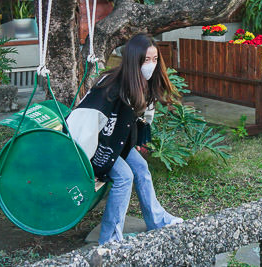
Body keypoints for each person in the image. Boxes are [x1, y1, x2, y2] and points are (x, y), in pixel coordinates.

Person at [66, 34, 183, 243]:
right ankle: (110, 239)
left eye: (155, 59)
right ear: (133, 60)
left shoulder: (143, 83)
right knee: (124, 177)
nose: (152, 65)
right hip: (93, 147)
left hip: (115, 144)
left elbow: (142, 118)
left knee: (141, 169)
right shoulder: (110, 85)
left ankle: (157, 220)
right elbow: (85, 121)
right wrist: (80, 160)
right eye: (146, 60)